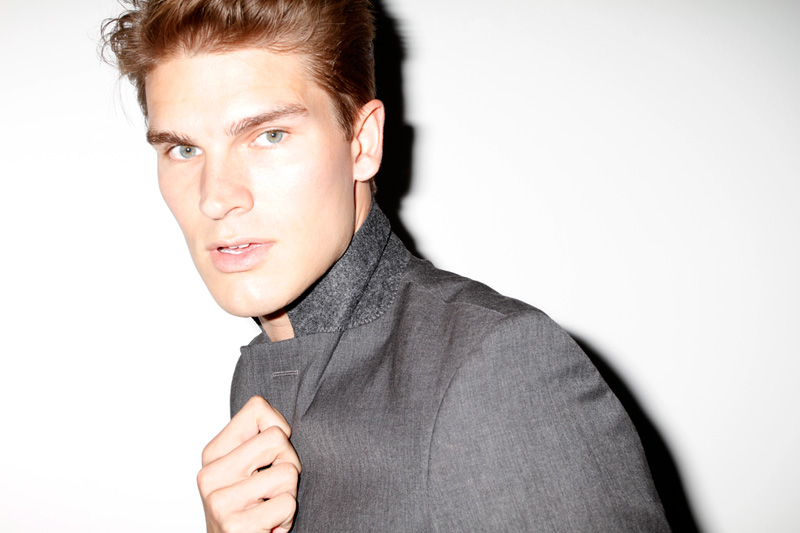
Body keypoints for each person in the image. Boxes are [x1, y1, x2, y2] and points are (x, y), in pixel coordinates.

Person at [102, 1, 670, 531]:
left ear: (363, 143)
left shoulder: (493, 366)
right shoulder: (260, 378)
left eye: (269, 135)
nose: (216, 198)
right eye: (183, 149)